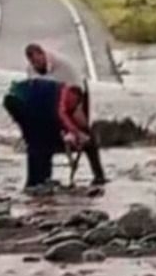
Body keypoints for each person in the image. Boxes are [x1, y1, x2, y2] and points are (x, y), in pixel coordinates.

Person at [24, 44, 107, 186]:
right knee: (37, 141)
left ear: (42, 54)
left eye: (37, 61)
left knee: (86, 135)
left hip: (72, 99)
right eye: (33, 63)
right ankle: (40, 178)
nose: (36, 65)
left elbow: (78, 93)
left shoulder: (64, 66)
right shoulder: (31, 71)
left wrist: (75, 126)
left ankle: (98, 174)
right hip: (49, 104)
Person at [4, 78, 107, 189]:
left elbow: (63, 118)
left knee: (41, 140)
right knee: (38, 141)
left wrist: (75, 133)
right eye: (75, 103)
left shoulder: (57, 98)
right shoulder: (62, 93)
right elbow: (61, 114)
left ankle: (39, 180)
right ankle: (36, 182)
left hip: (18, 99)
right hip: (21, 101)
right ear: (73, 95)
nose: (73, 106)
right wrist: (77, 133)